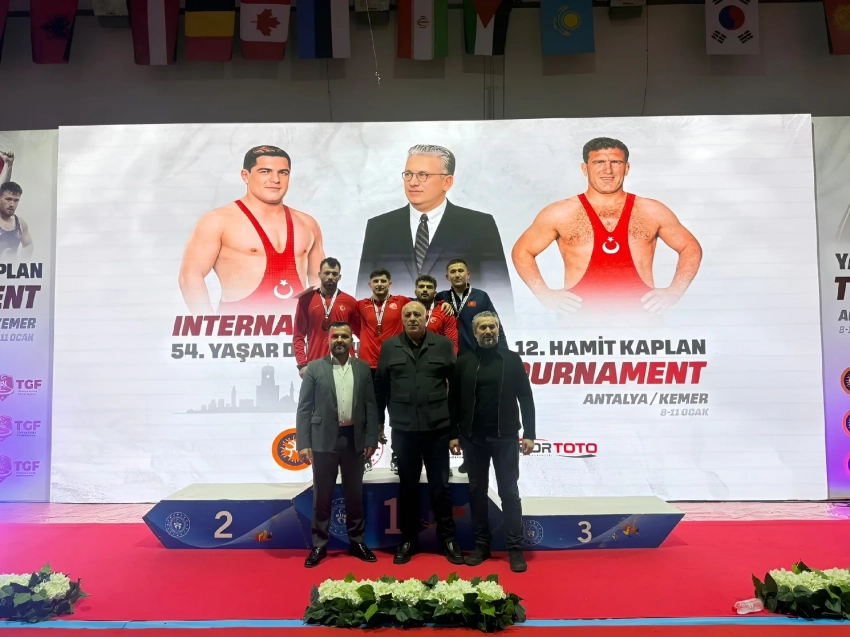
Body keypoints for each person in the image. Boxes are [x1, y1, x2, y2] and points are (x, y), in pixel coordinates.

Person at [512, 137, 702, 317]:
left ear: (627, 168)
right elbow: (522, 251)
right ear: (584, 168)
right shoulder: (560, 212)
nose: (607, 170)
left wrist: (675, 292)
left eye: (616, 162)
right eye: (598, 162)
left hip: (641, 321)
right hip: (579, 322)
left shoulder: (652, 210)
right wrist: (544, 294)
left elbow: (690, 247)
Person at [356, 144, 513, 316]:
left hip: (457, 327)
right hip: (393, 328)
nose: (412, 182)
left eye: (423, 175)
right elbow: (363, 296)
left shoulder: (480, 225)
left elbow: (500, 296)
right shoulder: (379, 227)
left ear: (447, 182)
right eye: (408, 174)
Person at [178, 145, 326, 315]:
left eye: (283, 173)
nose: (275, 179)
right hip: (241, 327)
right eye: (265, 171)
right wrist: (208, 324)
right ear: (245, 176)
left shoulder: (307, 223)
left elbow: (319, 279)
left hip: (295, 327)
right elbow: (190, 276)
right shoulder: (219, 220)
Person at [375, 301, 462, 565]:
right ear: (402, 319)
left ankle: (448, 539)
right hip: (404, 431)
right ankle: (408, 539)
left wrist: (455, 430)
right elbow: (381, 387)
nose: (413, 318)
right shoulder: (389, 346)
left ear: (426, 317)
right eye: (408, 314)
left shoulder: (443, 345)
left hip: (438, 429)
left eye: (417, 314)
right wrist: (379, 422)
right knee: (408, 487)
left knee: (441, 488)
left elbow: (456, 389)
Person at [450, 311, 535, 573]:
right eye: (483, 327)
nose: (488, 331)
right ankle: (481, 545)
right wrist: (454, 433)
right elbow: (454, 401)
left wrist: (530, 434)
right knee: (477, 492)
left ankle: (514, 548)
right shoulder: (463, 362)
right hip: (473, 439)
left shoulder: (511, 359)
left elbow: (526, 397)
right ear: (474, 332)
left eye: (492, 327)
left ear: (498, 330)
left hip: (506, 437)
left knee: (509, 492)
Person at [295, 322, 380, 568]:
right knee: (322, 495)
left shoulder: (362, 368)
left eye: (344, 336)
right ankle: (319, 545)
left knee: (354, 494)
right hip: (323, 439)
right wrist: (303, 442)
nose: (340, 340)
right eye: (335, 336)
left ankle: (357, 542)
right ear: (329, 340)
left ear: (352, 341)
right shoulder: (314, 368)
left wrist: (371, 438)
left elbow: (370, 406)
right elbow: (304, 408)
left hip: (354, 439)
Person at [294, 257, 360, 378]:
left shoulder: (350, 301)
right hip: (316, 362)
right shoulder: (306, 300)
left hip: (345, 363)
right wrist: (302, 364)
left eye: (334, 274)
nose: (330, 277)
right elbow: (298, 335)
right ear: (320, 275)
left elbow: (362, 334)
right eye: (326, 273)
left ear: (339, 277)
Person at [436, 258, 507, 356]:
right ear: (447, 277)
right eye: (453, 272)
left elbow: (495, 324)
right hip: (448, 355)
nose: (457, 275)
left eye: (461, 271)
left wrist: (504, 353)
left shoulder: (481, 296)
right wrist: (441, 302)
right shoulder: (441, 297)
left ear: (468, 274)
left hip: (475, 354)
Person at [0, 182, 33, 260]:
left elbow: (28, 244)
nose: (12, 204)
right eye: (8, 199)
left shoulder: (20, 223)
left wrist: (23, 263)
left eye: (16, 200)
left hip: (11, 267)